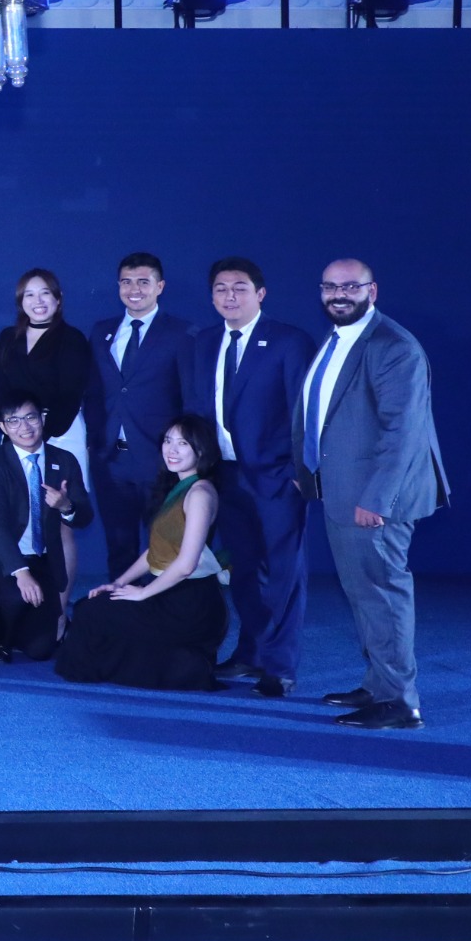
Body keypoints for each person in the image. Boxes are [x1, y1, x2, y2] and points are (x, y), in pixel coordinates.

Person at [298, 259, 448, 731]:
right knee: (363, 594)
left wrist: (377, 500)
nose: (338, 294)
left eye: (350, 286)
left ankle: (400, 702)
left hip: (374, 500)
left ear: (372, 291)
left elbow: (403, 433)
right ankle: (379, 684)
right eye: (330, 287)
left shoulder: (393, 347)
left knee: (383, 595)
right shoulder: (339, 338)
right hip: (344, 491)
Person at [181, 258, 312, 697]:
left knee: (284, 572)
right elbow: (197, 408)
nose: (229, 296)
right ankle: (251, 653)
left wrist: (300, 471)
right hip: (224, 475)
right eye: (221, 288)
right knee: (241, 570)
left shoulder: (289, 341)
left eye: (239, 287)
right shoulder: (204, 342)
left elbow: (304, 411)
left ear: (260, 293)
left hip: (277, 476)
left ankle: (280, 666)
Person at [57, 416, 227, 692]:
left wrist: (142, 593)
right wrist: (119, 583)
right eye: (168, 441)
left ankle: (184, 664)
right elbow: (155, 552)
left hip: (190, 604)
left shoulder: (200, 494)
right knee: (93, 604)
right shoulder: (177, 487)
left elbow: (186, 564)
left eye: (183, 443)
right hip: (170, 592)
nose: (172, 450)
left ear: (201, 450)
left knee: (93, 612)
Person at [86, 253, 192, 579]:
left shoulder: (182, 333)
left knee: (166, 546)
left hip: (160, 459)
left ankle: (164, 608)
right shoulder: (101, 331)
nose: (134, 289)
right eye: (127, 282)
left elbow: (191, 398)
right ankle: (120, 606)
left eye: (143, 282)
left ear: (160, 286)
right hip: (110, 460)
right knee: (119, 545)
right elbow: (93, 391)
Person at [0, 268, 96, 590]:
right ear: (20, 301)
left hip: (59, 435)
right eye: (29, 295)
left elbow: (70, 396)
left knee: (60, 524)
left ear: (58, 299)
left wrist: (36, 436)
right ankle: (25, 600)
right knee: (17, 518)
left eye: (45, 293)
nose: (37, 301)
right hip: (15, 436)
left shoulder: (72, 339)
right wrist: (16, 433)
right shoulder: (8, 338)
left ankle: (60, 610)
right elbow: (0, 390)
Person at [0, 392, 92, 663]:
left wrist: (66, 506)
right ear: (3, 427)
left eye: (30, 417)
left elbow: (85, 517)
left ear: (43, 418)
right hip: (3, 559)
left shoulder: (64, 460)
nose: (24, 427)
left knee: (41, 650)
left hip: (44, 559)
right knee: (16, 596)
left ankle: (9, 620)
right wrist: (21, 573)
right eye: (14, 421)